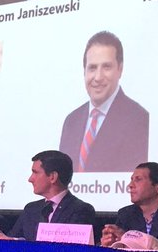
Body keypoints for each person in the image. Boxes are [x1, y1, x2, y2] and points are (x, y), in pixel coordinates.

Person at [58, 31, 149, 173]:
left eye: (106, 67)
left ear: (120, 69)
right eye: (92, 68)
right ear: (84, 71)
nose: (98, 77)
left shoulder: (139, 119)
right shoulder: (71, 121)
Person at [0, 150, 99, 242]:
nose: (30, 179)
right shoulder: (31, 209)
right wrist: (1, 237)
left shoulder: (81, 210)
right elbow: (13, 239)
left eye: (35, 173)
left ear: (53, 177)